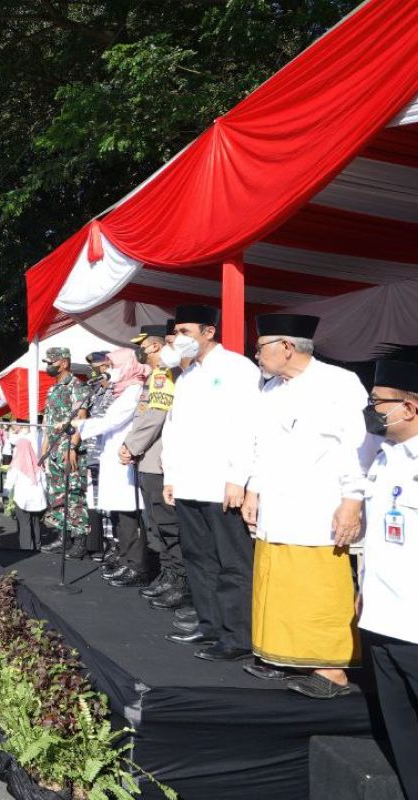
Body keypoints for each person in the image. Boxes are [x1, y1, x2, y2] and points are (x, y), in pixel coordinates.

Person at [241, 314, 373, 697]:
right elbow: (263, 445)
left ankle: (332, 671)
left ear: (286, 347)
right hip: (279, 506)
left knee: (319, 588)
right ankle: (289, 657)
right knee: (281, 584)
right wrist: (254, 489)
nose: (257, 355)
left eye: (261, 347)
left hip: (320, 505)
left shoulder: (338, 383)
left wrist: (352, 500)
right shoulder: (272, 389)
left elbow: (356, 446)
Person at [161, 304, 261, 661]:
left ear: (208, 332)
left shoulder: (237, 368)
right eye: (177, 333)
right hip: (189, 482)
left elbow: (247, 426)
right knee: (198, 557)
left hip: (223, 483)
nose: (179, 339)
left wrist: (238, 478)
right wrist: (171, 475)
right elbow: (174, 430)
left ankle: (237, 635)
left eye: (186, 332)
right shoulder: (186, 377)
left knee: (231, 561)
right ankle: (210, 624)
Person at [358, 359, 418, 800]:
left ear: (410, 408)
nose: (372, 409)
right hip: (381, 616)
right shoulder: (383, 455)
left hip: (415, 624)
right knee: (401, 729)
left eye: (379, 402)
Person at [122, 325, 188, 607]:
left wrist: (132, 445)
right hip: (148, 458)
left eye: (145, 345)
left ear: (158, 347)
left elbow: (155, 416)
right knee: (156, 526)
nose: (142, 351)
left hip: (157, 459)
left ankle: (179, 580)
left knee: (166, 525)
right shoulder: (156, 375)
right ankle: (167, 573)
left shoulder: (163, 375)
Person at [76, 348, 149, 584]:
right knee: (118, 515)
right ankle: (125, 559)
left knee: (128, 515)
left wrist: (79, 425)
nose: (111, 371)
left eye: (114, 366)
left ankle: (135, 565)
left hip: (124, 460)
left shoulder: (134, 390)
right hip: (112, 458)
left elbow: (112, 421)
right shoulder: (121, 390)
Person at [40, 346, 90, 554]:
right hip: (53, 447)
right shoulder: (53, 389)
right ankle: (63, 537)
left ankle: (79, 540)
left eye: (51, 362)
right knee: (57, 495)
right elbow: (47, 421)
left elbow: (81, 417)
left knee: (74, 493)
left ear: (64, 362)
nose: (49, 366)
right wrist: (43, 448)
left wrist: (73, 446)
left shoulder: (77, 386)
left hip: (68, 447)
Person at [82, 352, 116, 560]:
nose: (93, 371)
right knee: (98, 500)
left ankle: (114, 545)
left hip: (107, 455)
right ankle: (103, 544)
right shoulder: (94, 392)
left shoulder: (114, 392)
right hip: (93, 454)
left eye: (96, 366)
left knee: (111, 503)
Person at [4, 424, 46, 550]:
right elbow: (44, 483)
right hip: (37, 500)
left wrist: (6, 496)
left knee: (24, 524)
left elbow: (9, 484)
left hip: (22, 500)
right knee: (36, 523)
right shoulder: (38, 465)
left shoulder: (16, 465)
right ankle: (37, 545)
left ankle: (26, 548)